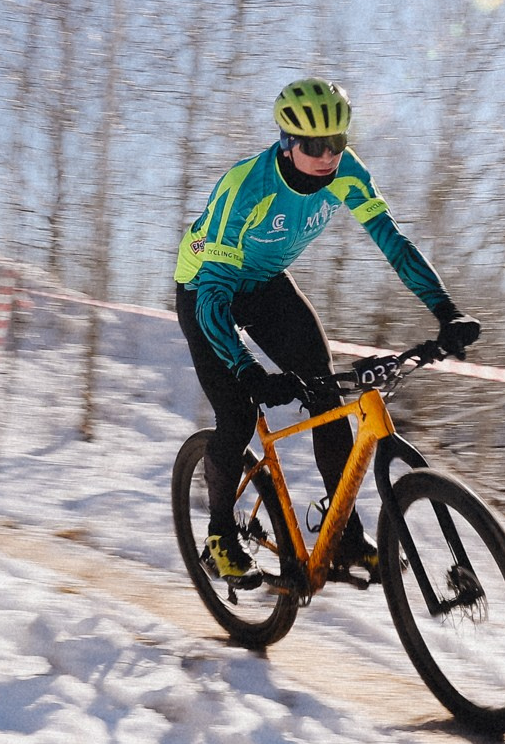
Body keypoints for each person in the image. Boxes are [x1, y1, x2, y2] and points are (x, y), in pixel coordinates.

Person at [174, 77, 481, 579]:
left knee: (326, 395)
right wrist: (248, 370)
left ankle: (343, 538)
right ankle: (218, 534)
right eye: (314, 146)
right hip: (207, 290)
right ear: (286, 142)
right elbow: (212, 298)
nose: (328, 156)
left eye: (336, 142)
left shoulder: (347, 173)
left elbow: (393, 242)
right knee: (238, 412)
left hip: (268, 283)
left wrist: (446, 311)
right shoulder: (245, 187)